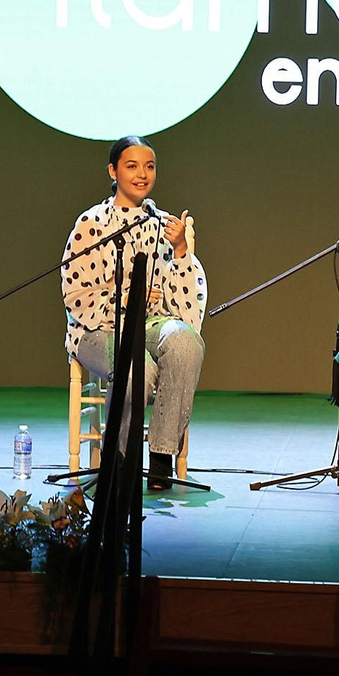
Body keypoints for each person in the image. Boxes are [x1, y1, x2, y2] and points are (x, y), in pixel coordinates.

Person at [62, 135, 207, 488]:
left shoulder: (163, 225)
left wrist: (180, 250)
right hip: (99, 329)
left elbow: (187, 310)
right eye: (132, 166)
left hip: (151, 322)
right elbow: (76, 295)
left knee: (186, 342)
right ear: (113, 171)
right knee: (136, 369)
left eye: (149, 166)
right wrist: (126, 300)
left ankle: (160, 456)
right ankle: (121, 459)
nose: (142, 174)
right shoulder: (91, 223)